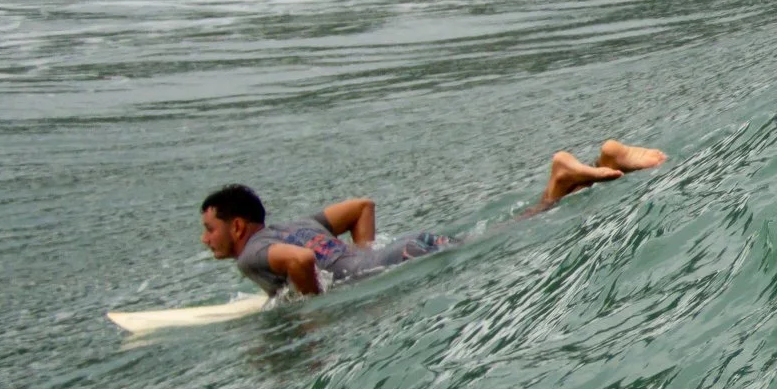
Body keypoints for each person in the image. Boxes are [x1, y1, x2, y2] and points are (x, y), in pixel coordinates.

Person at [198, 140, 666, 298]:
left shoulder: (252, 254)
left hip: (395, 262)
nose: (207, 240)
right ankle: (599, 166)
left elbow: (300, 262)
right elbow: (361, 205)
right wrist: (362, 255)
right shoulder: (297, 222)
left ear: (238, 226)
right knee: (515, 225)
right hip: (399, 250)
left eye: (210, 229)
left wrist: (313, 313)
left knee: (524, 229)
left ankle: (563, 176)